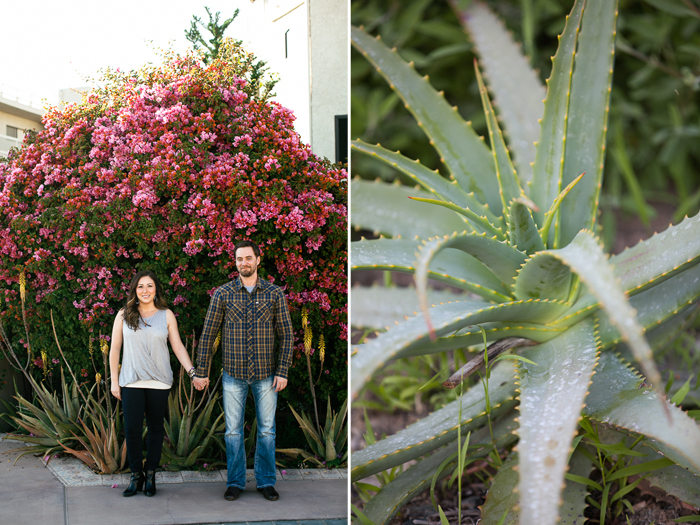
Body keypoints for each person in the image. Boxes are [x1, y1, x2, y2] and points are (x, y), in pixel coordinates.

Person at [193, 240, 293, 502]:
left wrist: (282, 371)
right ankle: (235, 482)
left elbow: (287, 336)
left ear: (258, 260)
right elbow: (208, 335)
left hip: (267, 376)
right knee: (233, 432)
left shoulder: (274, 294)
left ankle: (266, 482)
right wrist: (201, 371)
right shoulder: (223, 294)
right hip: (233, 375)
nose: (244, 263)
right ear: (235, 262)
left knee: (267, 431)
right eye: (239, 259)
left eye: (248, 258)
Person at [109, 270, 197, 497]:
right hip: (131, 381)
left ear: (156, 289)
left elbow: (177, 346)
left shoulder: (166, 315)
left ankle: (151, 476)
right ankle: (135, 476)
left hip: (159, 382)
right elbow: (115, 349)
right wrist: (114, 382)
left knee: (157, 430)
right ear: (134, 290)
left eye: (149, 286)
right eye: (140, 286)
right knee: (132, 430)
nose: (145, 291)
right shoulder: (123, 315)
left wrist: (192, 372)